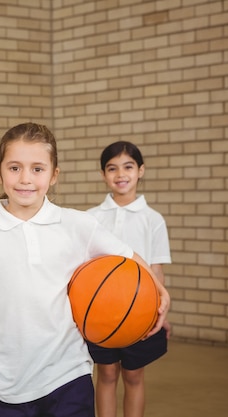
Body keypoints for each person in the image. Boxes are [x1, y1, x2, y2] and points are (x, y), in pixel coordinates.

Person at [0, 122, 170, 417]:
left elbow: (129, 255)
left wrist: (160, 291)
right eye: (15, 168)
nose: (25, 179)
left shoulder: (77, 225)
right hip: (7, 380)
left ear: (54, 175)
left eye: (37, 169)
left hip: (69, 374)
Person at [86, 141, 171, 417]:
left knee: (134, 376)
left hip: (141, 311)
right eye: (112, 168)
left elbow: (156, 268)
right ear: (103, 175)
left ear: (141, 171)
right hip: (101, 313)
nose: (120, 174)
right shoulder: (91, 219)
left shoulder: (153, 219)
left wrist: (162, 310)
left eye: (128, 167)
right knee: (107, 374)